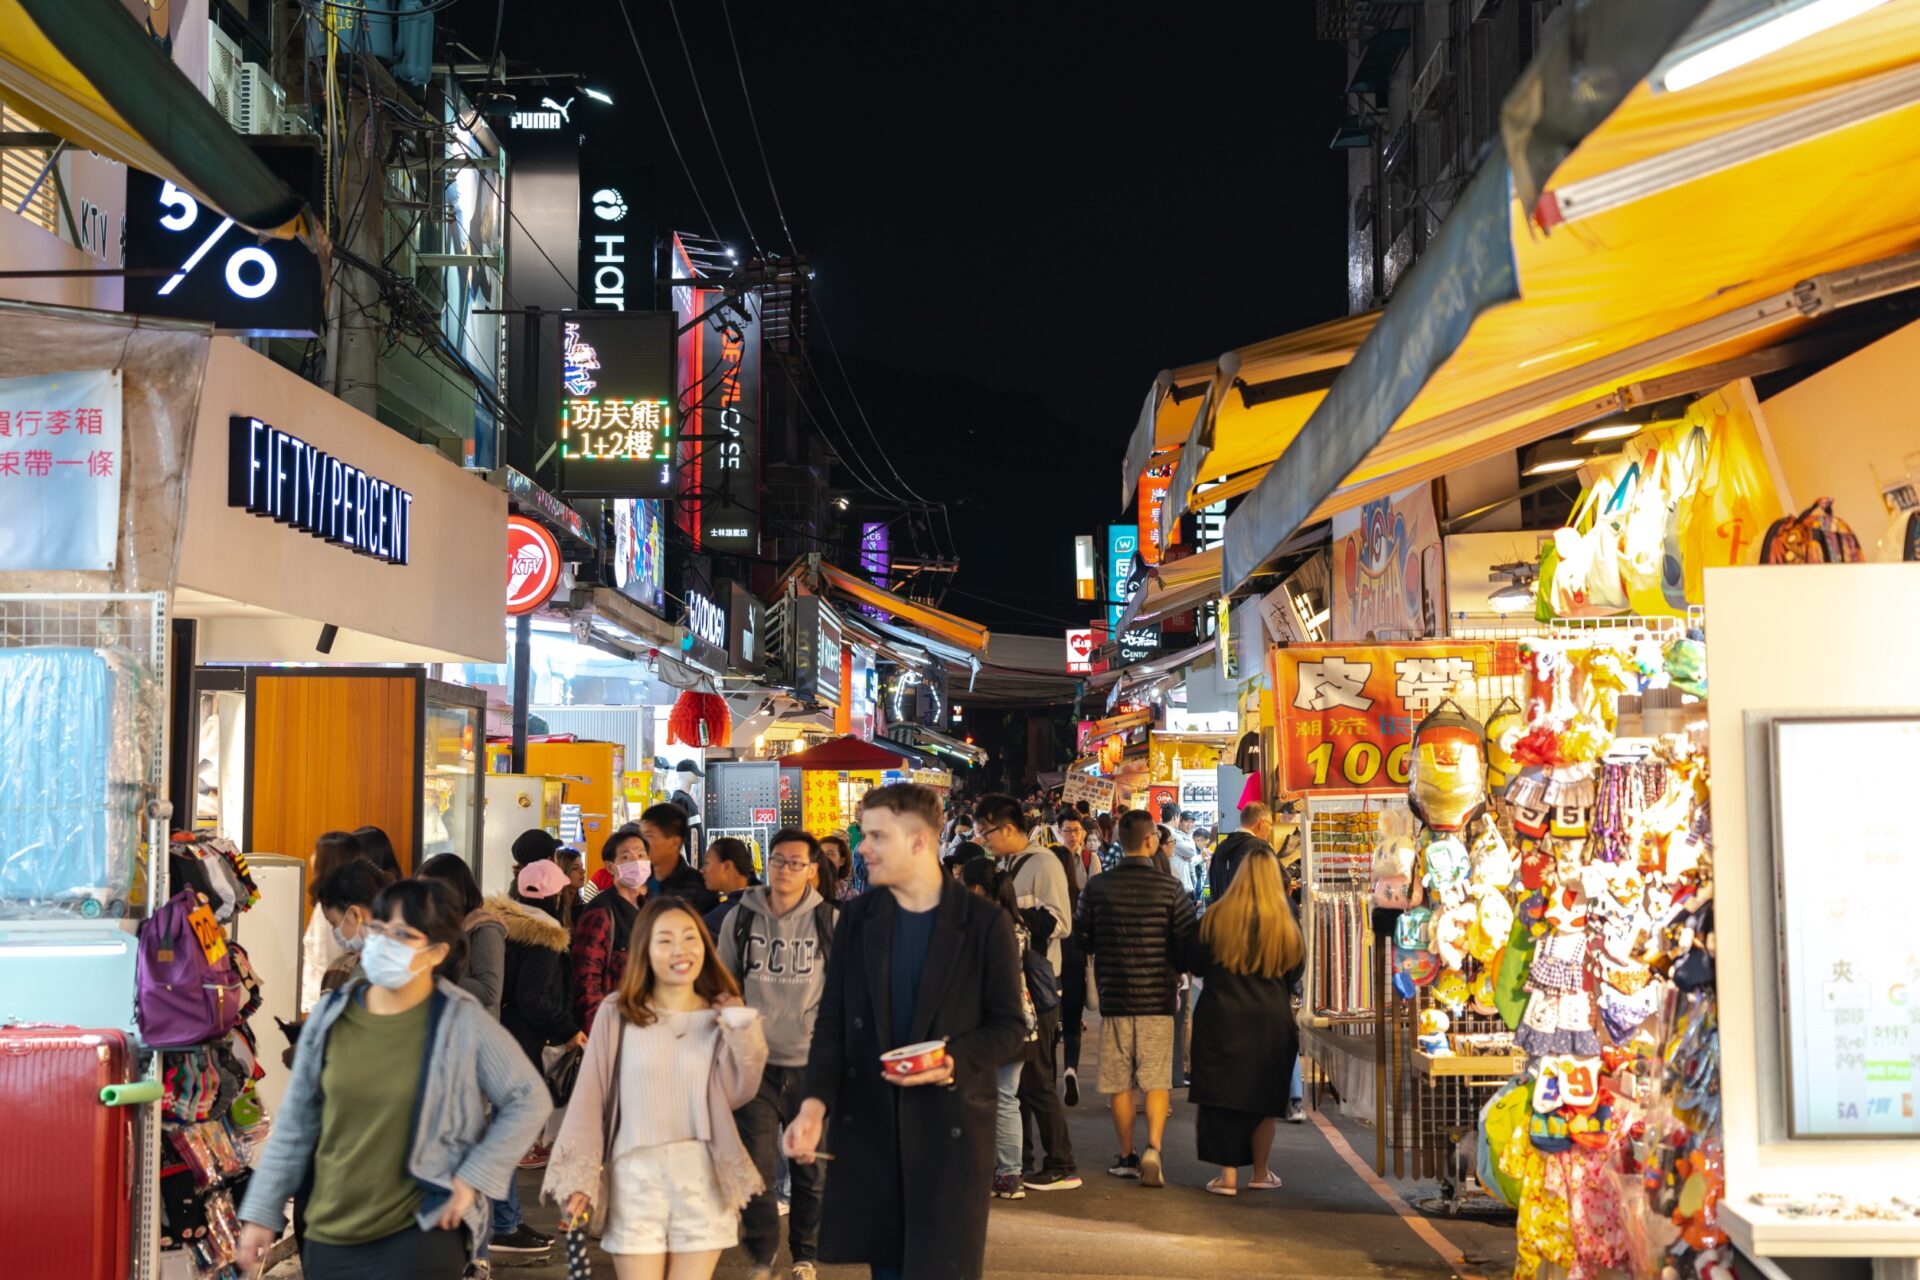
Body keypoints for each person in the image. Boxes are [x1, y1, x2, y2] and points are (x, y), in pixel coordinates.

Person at [235, 880, 549, 1280]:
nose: (385, 942)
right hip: (333, 1228)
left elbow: (528, 1098)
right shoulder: (333, 1015)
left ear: (436, 952)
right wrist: (261, 1212)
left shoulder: (459, 1018)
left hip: (425, 1230)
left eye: (402, 934)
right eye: (380, 928)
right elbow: (296, 1124)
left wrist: (475, 1176)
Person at [782, 783, 1026, 1280]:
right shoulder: (858, 917)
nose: (862, 847)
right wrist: (813, 1104)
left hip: (951, 1133)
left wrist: (951, 1058)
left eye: (875, 836)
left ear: (918, 841)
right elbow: (833, 1021)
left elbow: (1010, 1028)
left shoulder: (983, 923)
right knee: (888, 1270)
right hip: (874, 1127)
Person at [544, 898, 769, 1280]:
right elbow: (589, 1100)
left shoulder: (718, 1015)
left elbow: (741, 1088)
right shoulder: (617, 1012)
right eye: (665, 940)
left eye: (690, 937)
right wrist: (578, 1179)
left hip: (703, 1176)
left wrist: (741, 1027)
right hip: (635, 1176)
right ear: (644, 950)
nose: (680, 950)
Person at [715, 830, 837, 1280]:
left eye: (795, 863)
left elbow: (844, 993)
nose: (784, 870)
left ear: (812, 870)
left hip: (811, 1063)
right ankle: (762, 1257)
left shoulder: (829, 921)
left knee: (809, 1168)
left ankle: (805, 1255)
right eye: (778, 860)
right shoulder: (740, 919)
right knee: (757, 1164)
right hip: (755, 1062)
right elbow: (724, 979)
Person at [1072, 809, 1198, 1188]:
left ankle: (1126, 1156)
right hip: (1158, 999)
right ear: (1149, 840)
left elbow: (1082, 938)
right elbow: (1187, 945)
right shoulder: (1170, 888)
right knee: (1156, 1080)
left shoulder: (1097, 887)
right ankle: (1154, 1149)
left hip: (1115, 997)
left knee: (1120, 1082)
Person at [972, 792, 1079, 1191]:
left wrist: (1007, 920)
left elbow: (1061, 922)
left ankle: (1061, 1163)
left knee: (1036, 1080)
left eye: (987, 831)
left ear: (1009, 828)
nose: (985, 839)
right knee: (1017, 1086)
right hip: (1014, 988)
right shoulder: (1008, 864)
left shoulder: (1044, 864)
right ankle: (1021, 1161)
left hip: (1037, 988)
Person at [1186, 849, 1306, 1195]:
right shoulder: (1285, 921)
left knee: (1224, 1097)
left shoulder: (1216, 916)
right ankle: (1260, 1172)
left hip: (1220, 1017)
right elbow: (1295, 971)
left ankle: (1227, 1177)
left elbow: (1195, 962)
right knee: (1264, 1100)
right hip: (1270, 1020)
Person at [490, 858, 582, 1183]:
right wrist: (568, 1029)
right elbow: (534, 996)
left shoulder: (504, 926)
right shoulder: (545, 939)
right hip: (527, 1033)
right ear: (556, 898)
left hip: (502, 1026)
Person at [958, 857, 1040, 1202]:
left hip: (989, 1023)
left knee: (986, 1098)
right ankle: (1008, 1174)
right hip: (1022, 1021)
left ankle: (997, 1172)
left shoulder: (979, 926)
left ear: (976, 889)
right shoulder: (1018, 925)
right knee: (1006, 1097)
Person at [417, 854, 506, 1018]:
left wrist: (432, 971)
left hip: (473, 1030)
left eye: (431, 892)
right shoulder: (436, 924)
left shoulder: (485, 928)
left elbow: (489, 991)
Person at [1049, 818, 1092, 1109]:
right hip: (1076, 958)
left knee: (1052, 1024)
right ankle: (1071, 1070)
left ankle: (1049, 1079)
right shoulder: (1079, 894)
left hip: (1052, 962)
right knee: (1074, 1023)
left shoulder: (1048, 897)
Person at [300, 831, 363, 1012]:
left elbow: (324, 958)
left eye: (315, 853)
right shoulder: (328, 907)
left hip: (326, 1002)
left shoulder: (330, 910)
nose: (311, 858)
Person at [640, 803, 718, 914]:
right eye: (641, 836)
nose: (641, 843)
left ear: (674, 843)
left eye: (649, 836)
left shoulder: (698, 889)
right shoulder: (638, 881)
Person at [702, 837, 759, 934]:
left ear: (726, 866)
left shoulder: (717, 920)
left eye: (707, 863)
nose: (703, 870)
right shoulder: (766, 903)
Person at [819, 833, 859, 902]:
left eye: (830, 854)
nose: (824, 858)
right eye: (820, 854)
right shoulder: (803, 891)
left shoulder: (852, 896)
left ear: (842, 861)